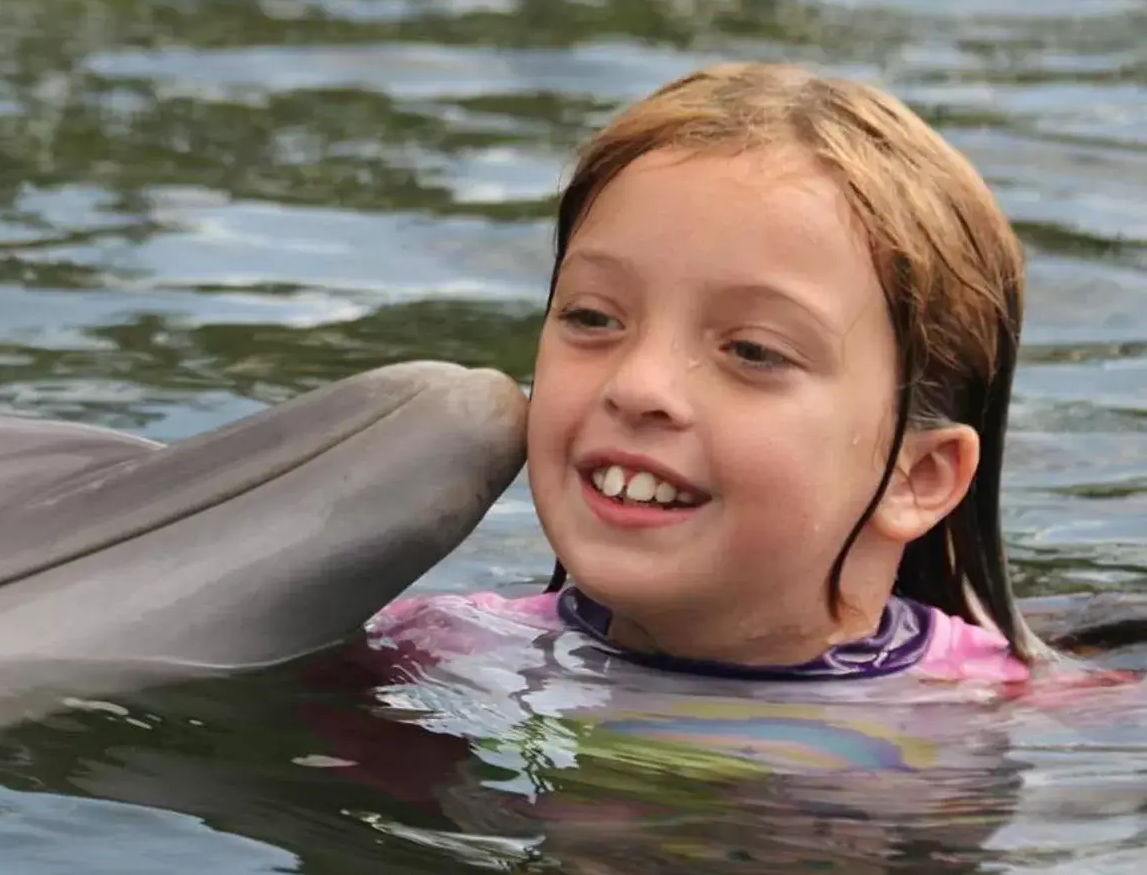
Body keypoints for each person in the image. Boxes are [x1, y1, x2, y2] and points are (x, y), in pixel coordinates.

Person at [371, 60, 1050, 688]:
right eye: (593, 317)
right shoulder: (437, 658)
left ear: (917, 476)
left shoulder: (1013, 713)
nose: (638, 386)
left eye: (753, 351)